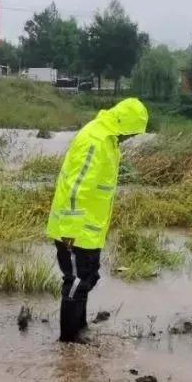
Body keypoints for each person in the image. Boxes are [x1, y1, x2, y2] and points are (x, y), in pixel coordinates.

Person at [46, 97, 149, 343]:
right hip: (74, 230)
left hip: (90, 230)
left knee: (89, 276)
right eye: (132, 132)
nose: (131, 138)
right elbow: (75, 188)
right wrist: (70, 231)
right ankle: (69, 338)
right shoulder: (97, 139)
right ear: (123, 123)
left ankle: (79, 328)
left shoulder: (109, 139)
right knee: (76, 280)